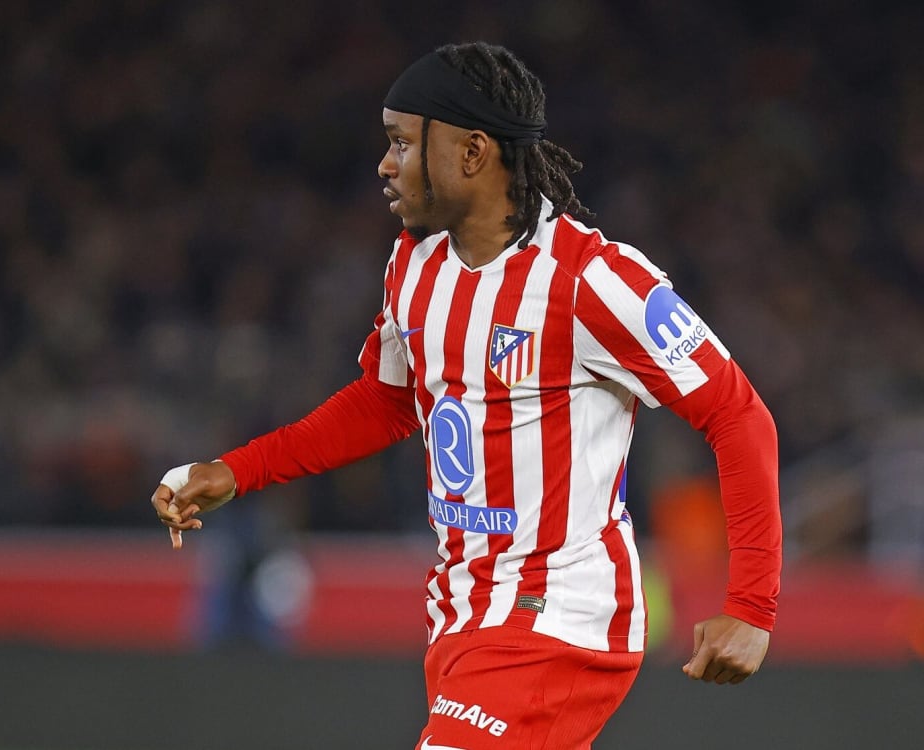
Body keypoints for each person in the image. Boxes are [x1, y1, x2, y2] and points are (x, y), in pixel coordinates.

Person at [152, 41, 781, 749]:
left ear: (472, 151)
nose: (385, 164)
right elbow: (387, 401)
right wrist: (237, 471)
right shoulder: (413, 262)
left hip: (557, 615)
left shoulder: (592, 281)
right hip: (461, 615)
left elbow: (737, 413)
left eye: (401, 143)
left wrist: (751, 606)